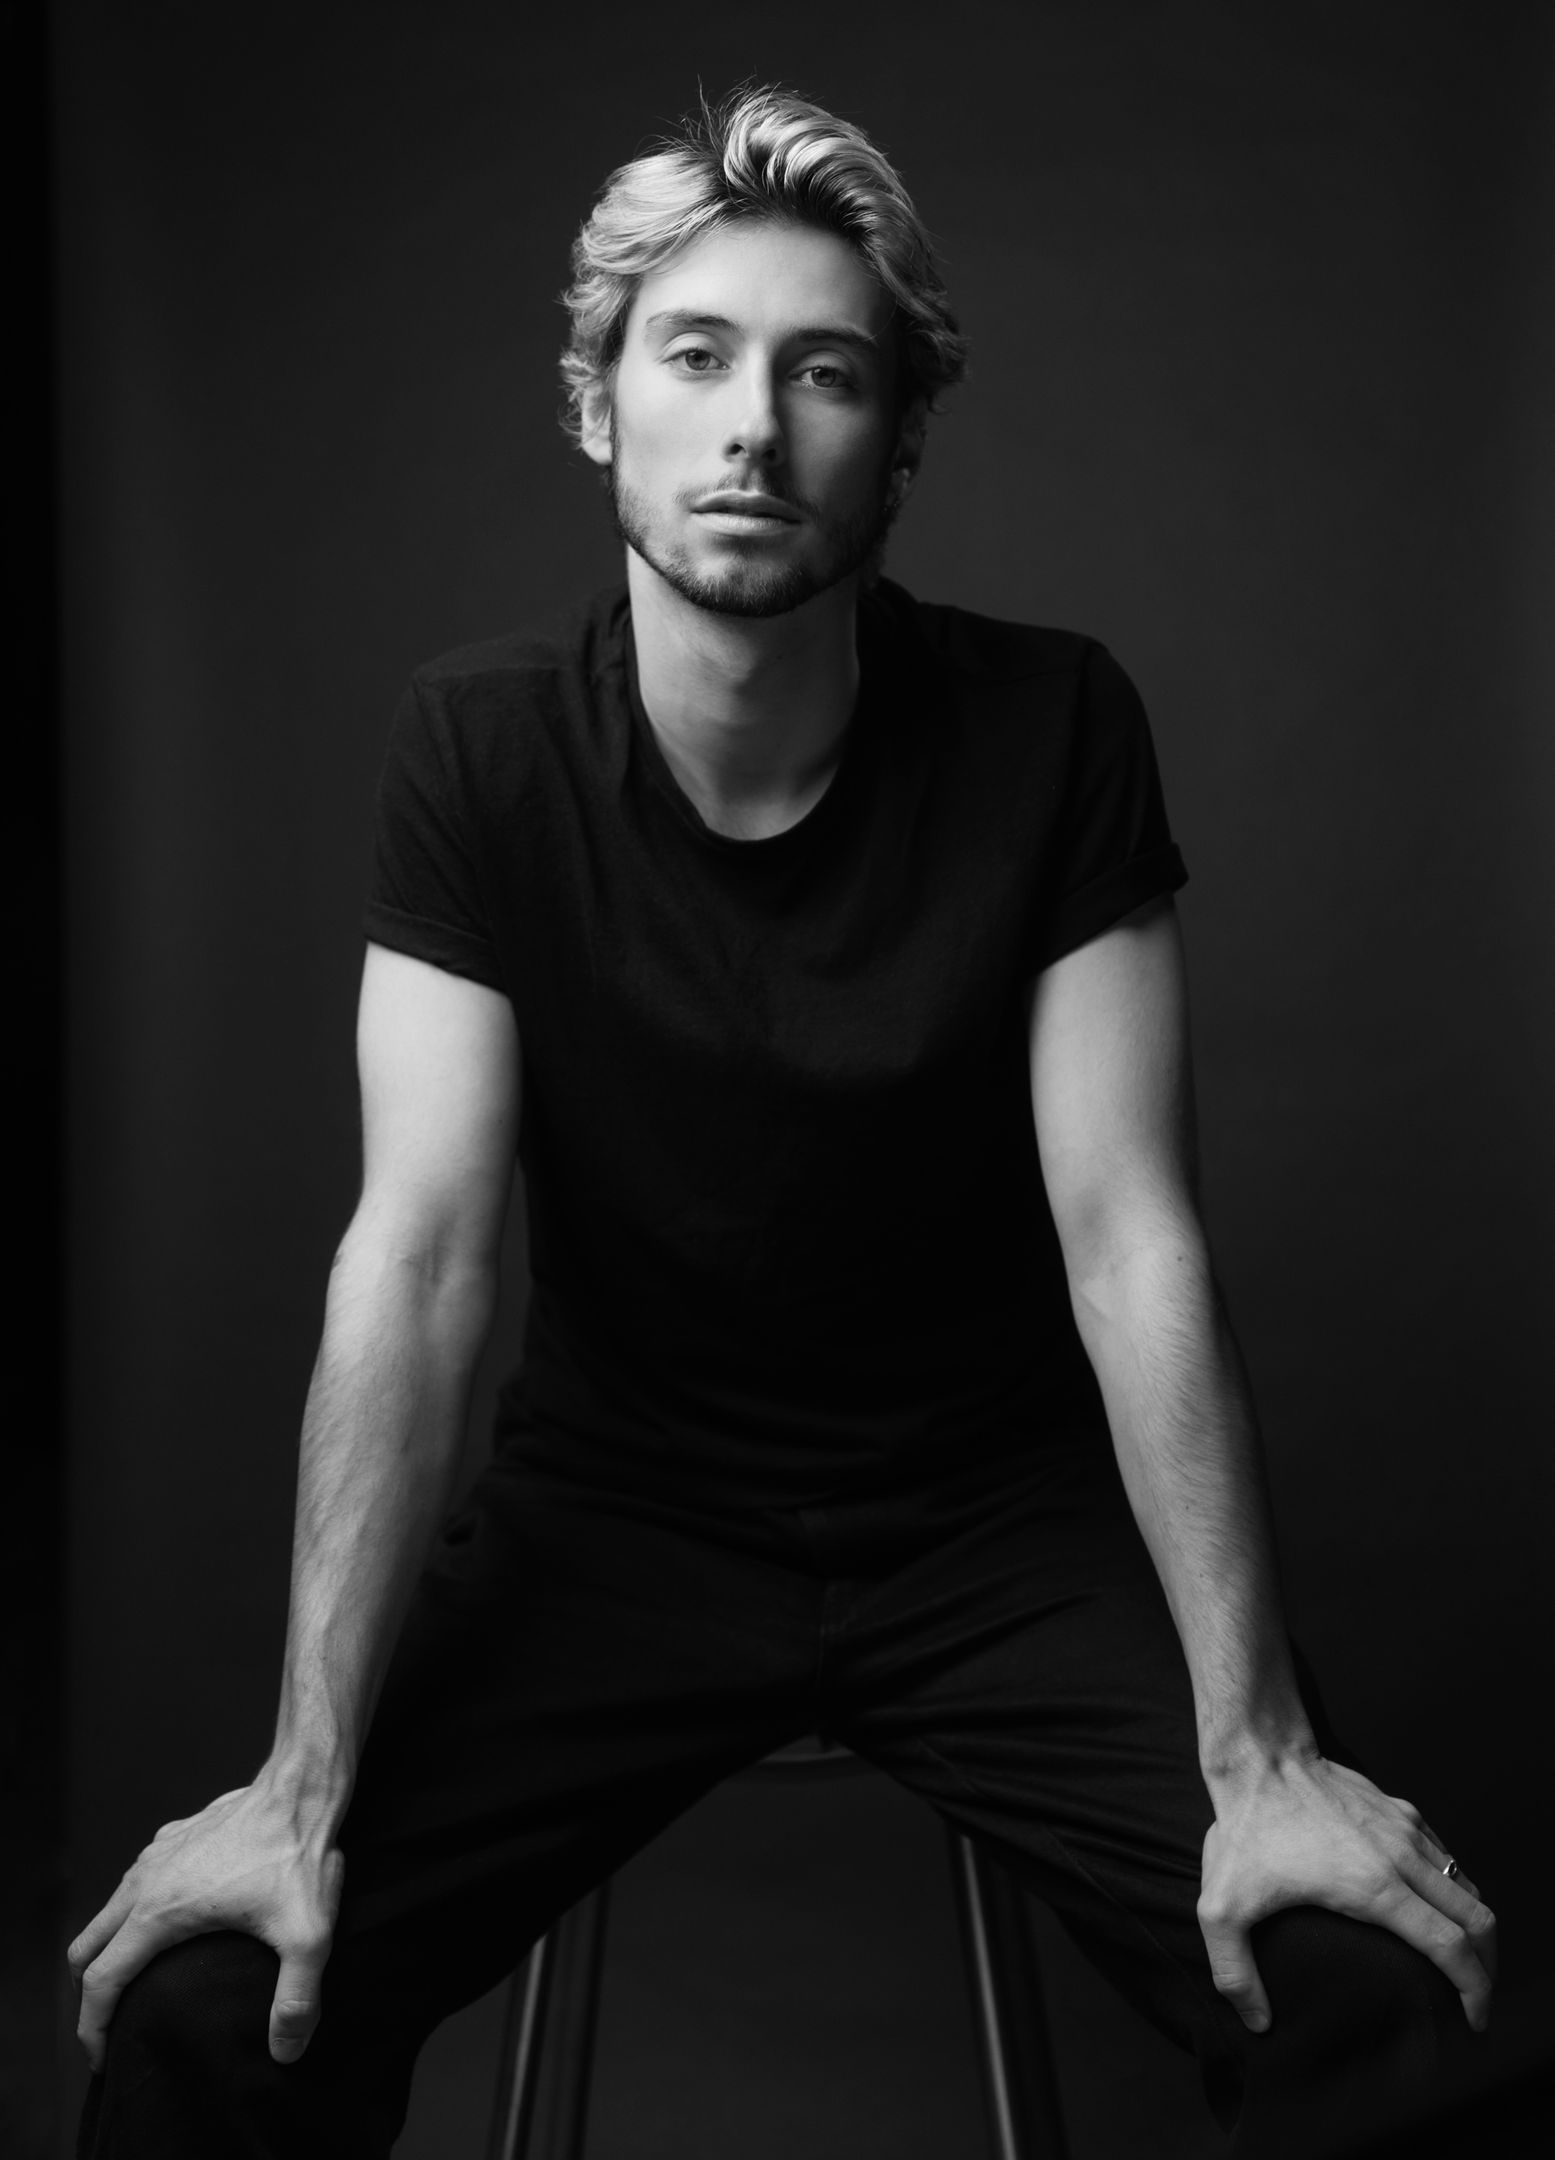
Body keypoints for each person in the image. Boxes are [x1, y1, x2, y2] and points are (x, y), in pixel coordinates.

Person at [70, 84, 1495, 2158]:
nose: (753, 427)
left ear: (896, 441)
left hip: (998, 1530)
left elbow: (1129, 1236)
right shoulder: (478, 749)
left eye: (825, 373)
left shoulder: (1051, 726)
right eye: (695, 355)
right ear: (598, 407)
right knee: (213, 2016)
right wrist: (296, 1785)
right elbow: (427, 1253)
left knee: (1358, 1985)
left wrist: (1259, 1751)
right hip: (617, 1526)